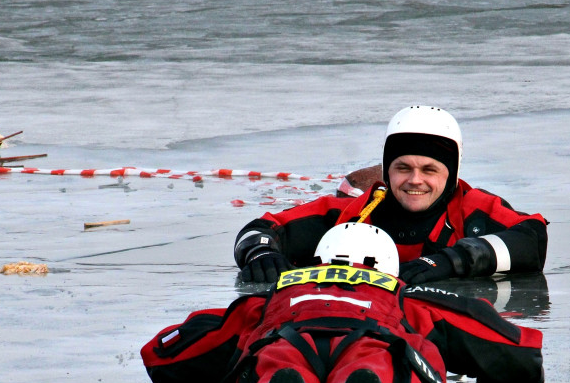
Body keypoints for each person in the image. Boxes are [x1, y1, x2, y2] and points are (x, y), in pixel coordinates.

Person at [144, 222, 544, 383]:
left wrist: (206, 377)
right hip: (374, 338)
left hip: (287, 335)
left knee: (271, 374)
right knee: (382, 378)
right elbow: (518, 352)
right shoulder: (408, 298)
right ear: (388, 268)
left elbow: (167, 356)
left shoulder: (271, 298)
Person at [233, 106, 548, 286]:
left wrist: (452, 260)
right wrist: (260, 254)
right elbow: (258, 230)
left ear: (451, 173)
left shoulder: (474, 210)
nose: (415, 180)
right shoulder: (348, 215)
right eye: (403, 168)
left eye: (429, 169)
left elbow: (532, 238)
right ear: (387, 170)